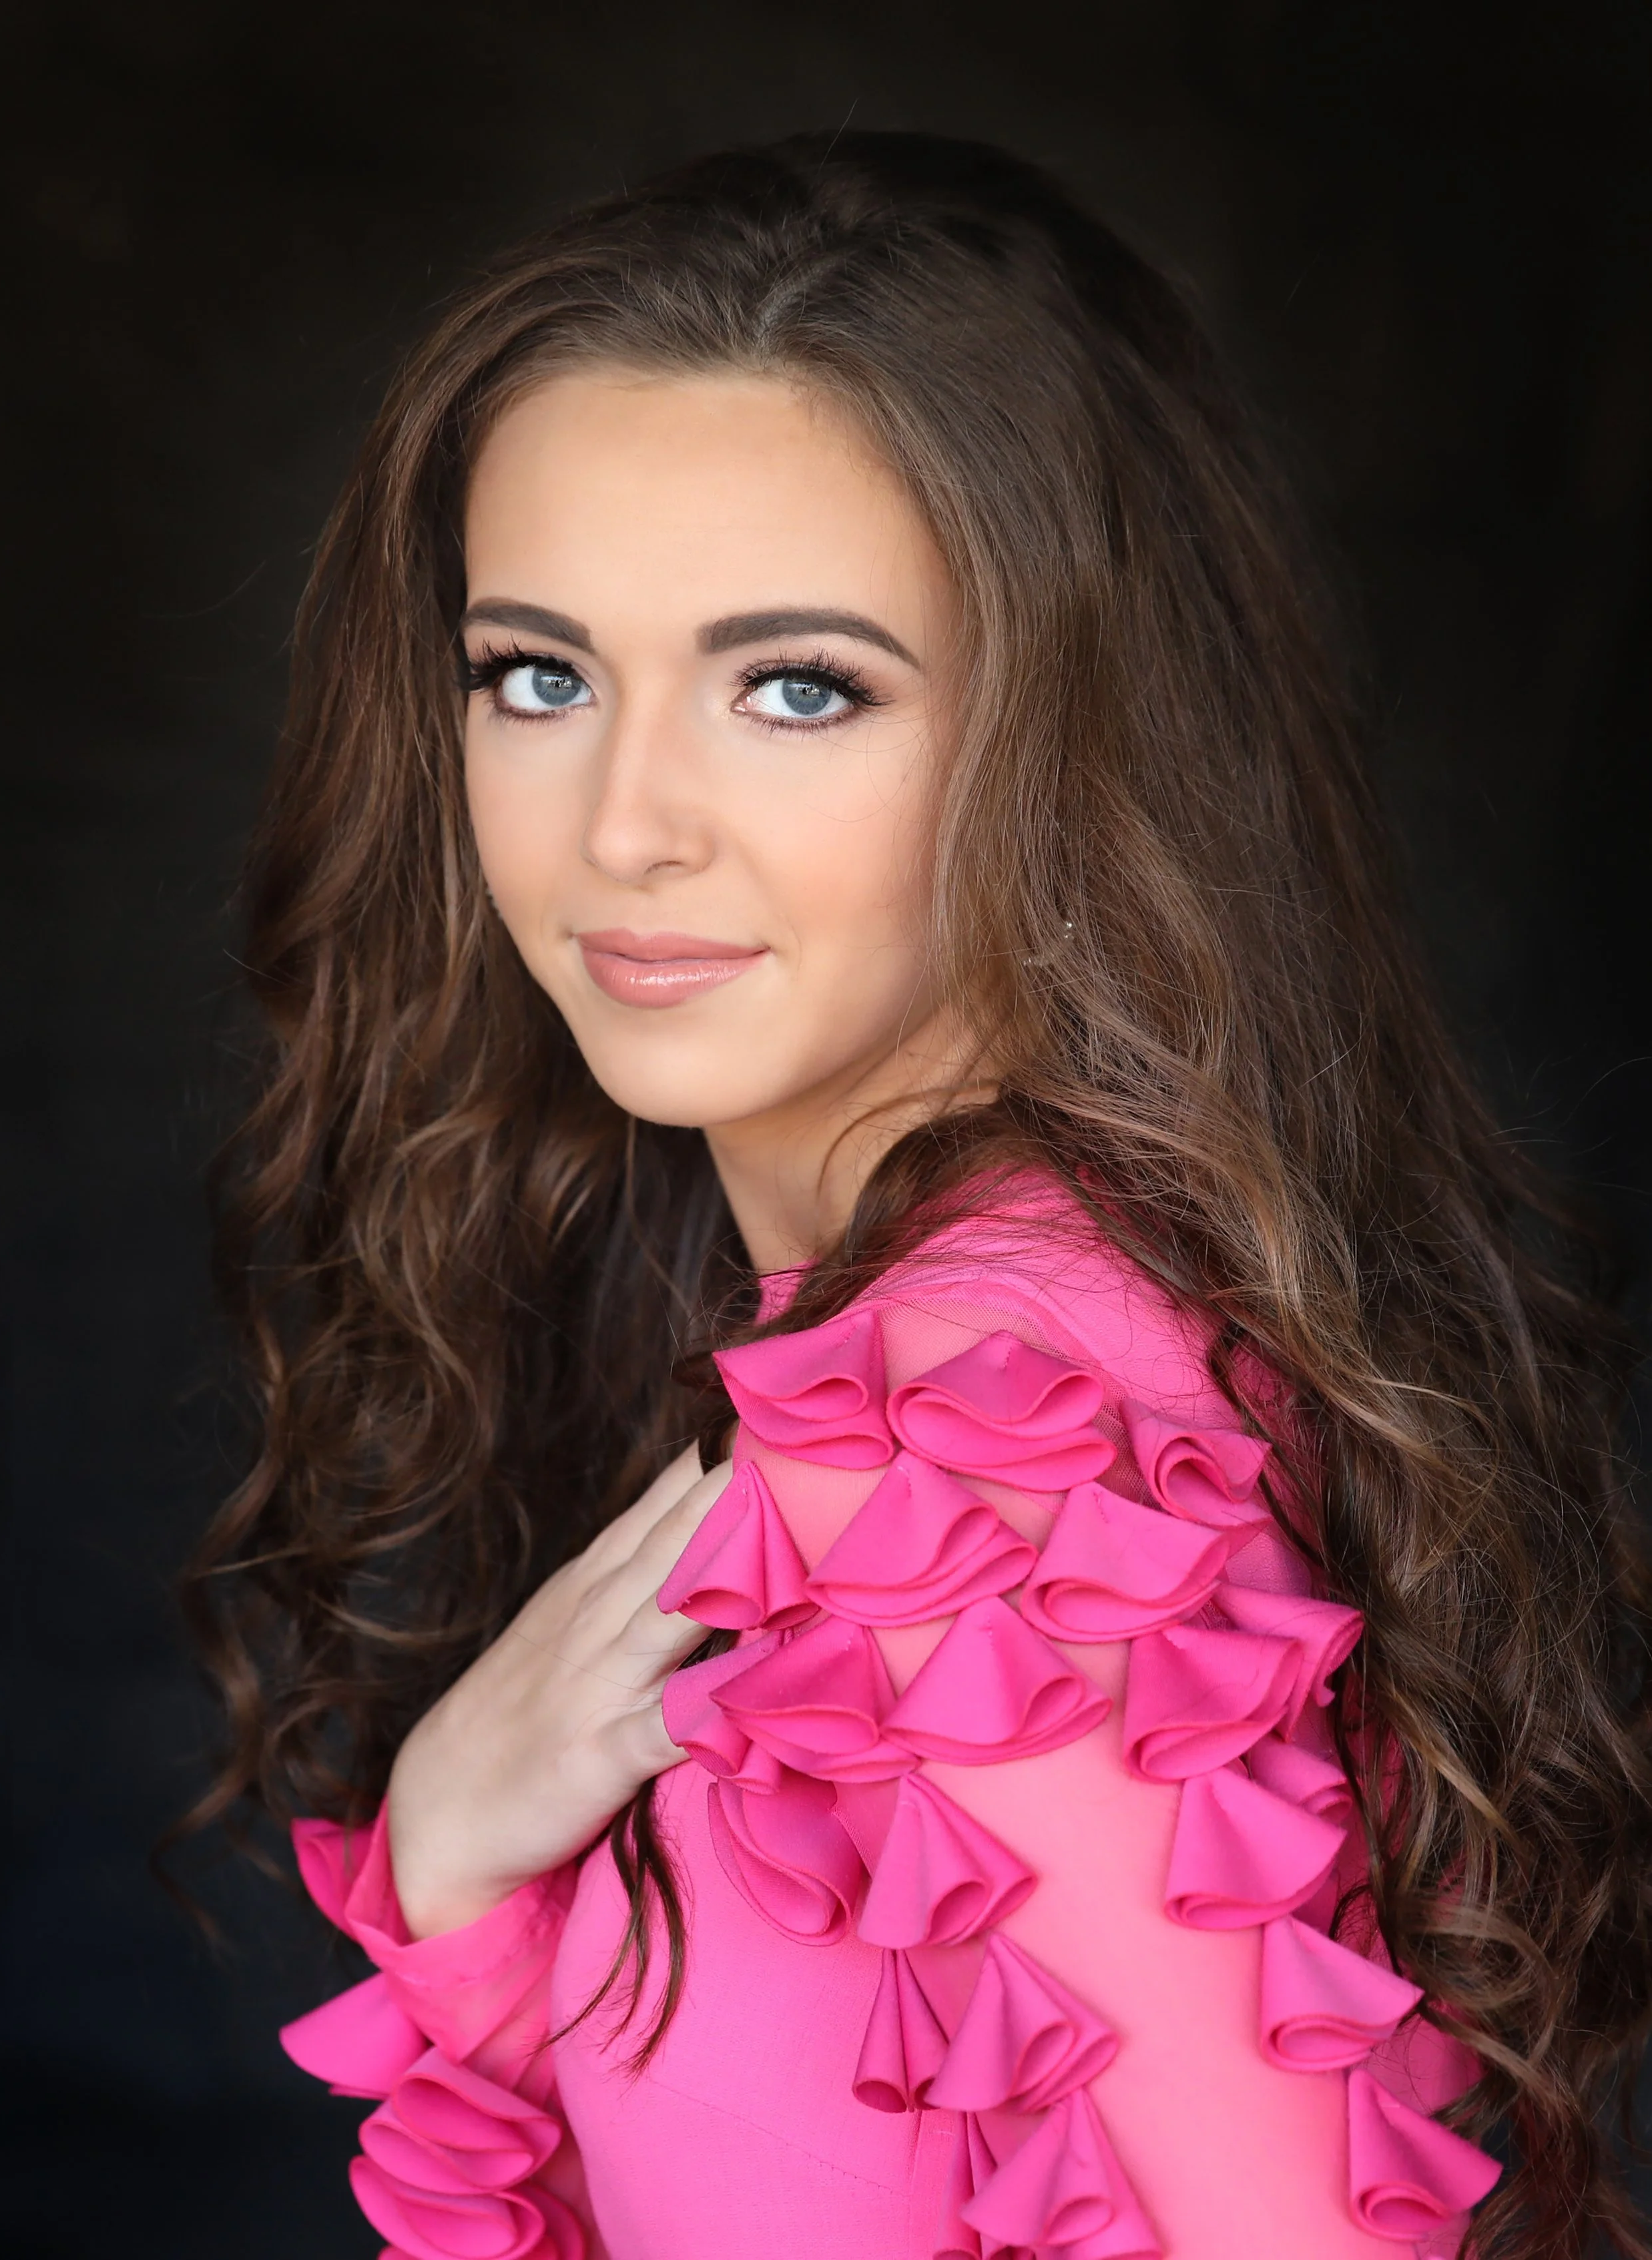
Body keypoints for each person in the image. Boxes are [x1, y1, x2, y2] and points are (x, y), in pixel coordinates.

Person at [186, 133, 1652, 2260]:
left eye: (799, 687)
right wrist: (460, 1873)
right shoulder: (923, 1347)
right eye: (539, 673)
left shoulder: (987, 1435)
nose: (626, 827)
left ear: (1073, 740)